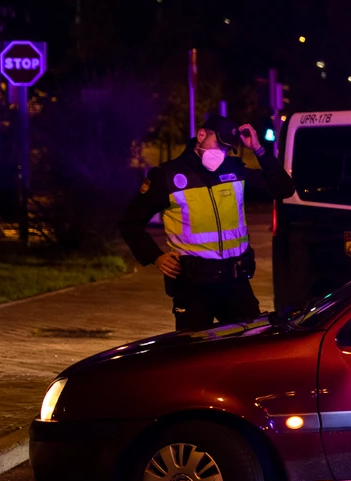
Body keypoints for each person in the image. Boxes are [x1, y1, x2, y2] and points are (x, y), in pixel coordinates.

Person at [119, 115, 294, 332]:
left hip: (235, 283)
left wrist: (259, 149)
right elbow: (130, 223)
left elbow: (284, 189)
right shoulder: (167, 176)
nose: (221, 153)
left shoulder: (235, 170)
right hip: (193, 287)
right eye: (218, 144)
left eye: (227, 148)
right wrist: (155, 257)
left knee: (249, 352)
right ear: (201, 135)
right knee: (193, 357)